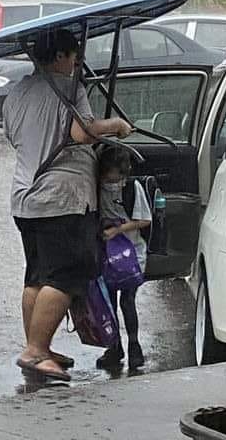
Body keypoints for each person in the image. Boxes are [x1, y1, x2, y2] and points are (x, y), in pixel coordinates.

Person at [2, 28, 132, 382]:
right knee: (68, 273)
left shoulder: (17, 93)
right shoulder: (70, 89)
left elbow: (14, 138)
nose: (77, 62)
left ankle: (38, 344)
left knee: (37, 276)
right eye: (73, 56)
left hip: (25, 198)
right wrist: (116, 125)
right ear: (59, 55)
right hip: (62, 200)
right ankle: (35, 351)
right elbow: (82, 133)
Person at [96, 146, 152, 371]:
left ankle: (134, 346)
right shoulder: (97, 188)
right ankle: (114, 346)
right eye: (107, 178)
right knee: (108, 303)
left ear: (124, 175)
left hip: (132, 252)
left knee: (126, 301)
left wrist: (117, 230)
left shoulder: (132, 189)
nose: (110, 183)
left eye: (114, 179)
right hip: (107, 254)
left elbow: (144, 220)